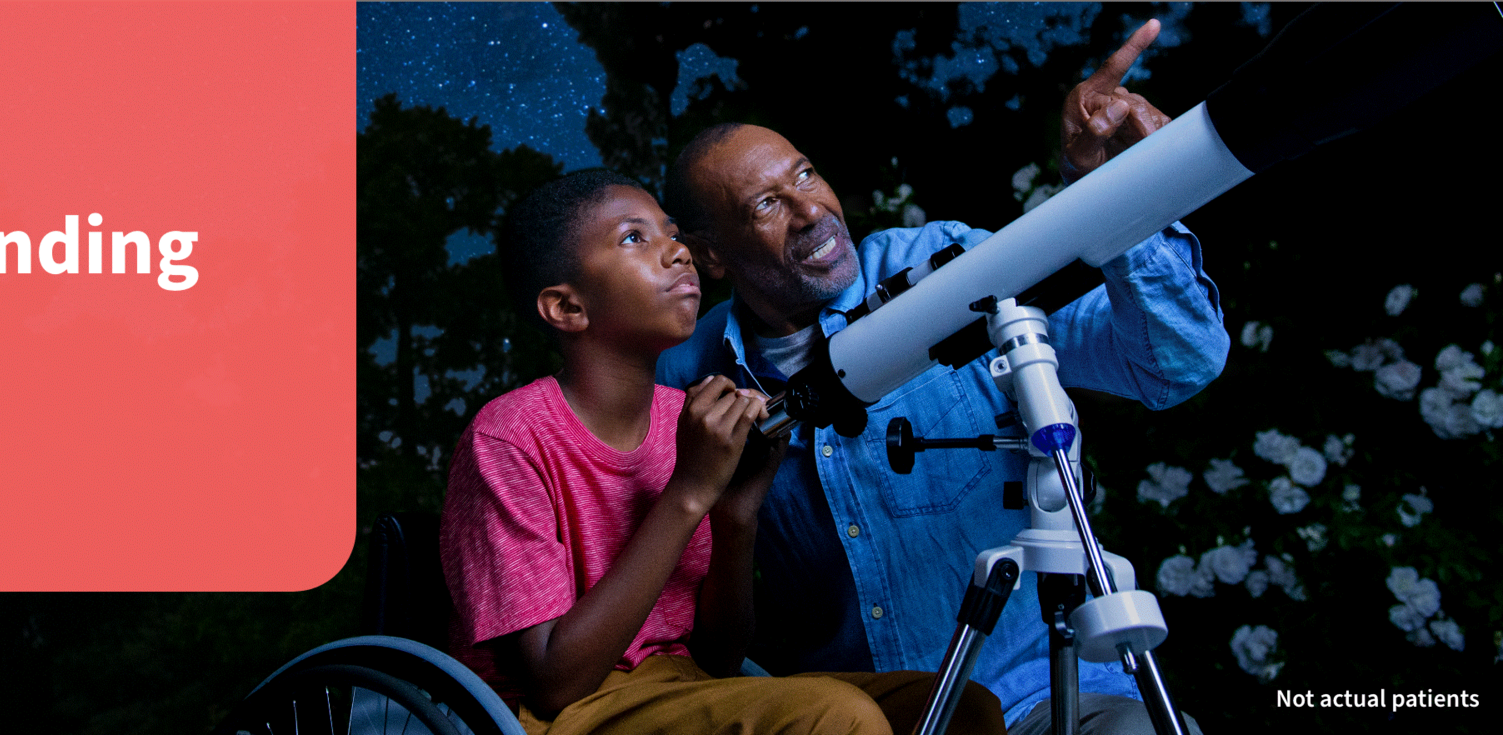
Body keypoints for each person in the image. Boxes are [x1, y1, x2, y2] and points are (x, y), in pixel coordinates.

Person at [651, 21, 1216, 735]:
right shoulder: (684, 382)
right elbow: (688, 631)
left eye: (805, 174)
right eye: (765, 204)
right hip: (866, 719)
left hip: (1048, 694)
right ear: (712, 257)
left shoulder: (947, 265)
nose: (810, 212)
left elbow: (1174, 363)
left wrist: (1125, 194)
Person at [442, 168, 1005, 735]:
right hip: (561, 715)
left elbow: (719, 659)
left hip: (685, 685)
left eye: (672, 233)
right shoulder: (511, 436)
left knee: (960, 706)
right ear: (567, 308)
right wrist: (690, 493)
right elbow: (554, 683)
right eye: (635, 239)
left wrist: (736, 512)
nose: (677, 253)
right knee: (838, 716)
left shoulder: (679, 420)